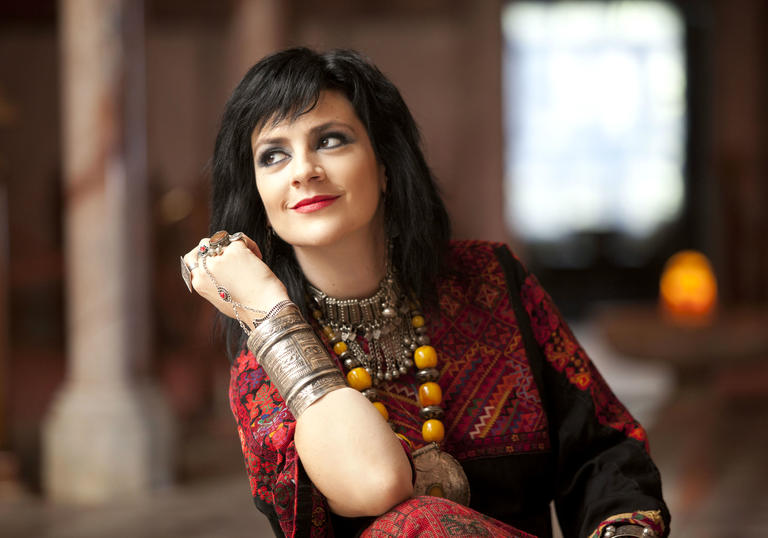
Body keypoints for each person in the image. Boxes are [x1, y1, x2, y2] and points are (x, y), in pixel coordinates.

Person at [180, 48, 670, 538]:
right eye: (274, 155)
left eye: (330, 140)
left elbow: (602, 452)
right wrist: (269, 309)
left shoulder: (490, 280)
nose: (303, 170)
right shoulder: (265, 369)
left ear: (385, 164)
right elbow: (377, 483)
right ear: (260, 198)